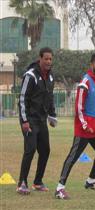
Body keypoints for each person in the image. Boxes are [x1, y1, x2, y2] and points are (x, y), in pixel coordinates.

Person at [55, 53, 95, 199]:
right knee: (73, 157)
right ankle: (59, 188)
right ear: (92, 65)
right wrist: (84, 124)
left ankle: (90, 181)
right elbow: (79, 108)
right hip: (83, 128)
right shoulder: (85, 82)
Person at [17, 47, 57, 194]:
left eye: (50, 59)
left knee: (45, 150)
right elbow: (22, 99)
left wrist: (52, 116)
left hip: (42, 120)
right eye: (46, 58)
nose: (48, 61)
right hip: (30, 120)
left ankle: (38, 182)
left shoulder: (51, 76)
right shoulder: (30, 75)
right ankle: (22, 183)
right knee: (30, 149)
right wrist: (25, 120)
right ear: (40, 59)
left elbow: (50, 97)